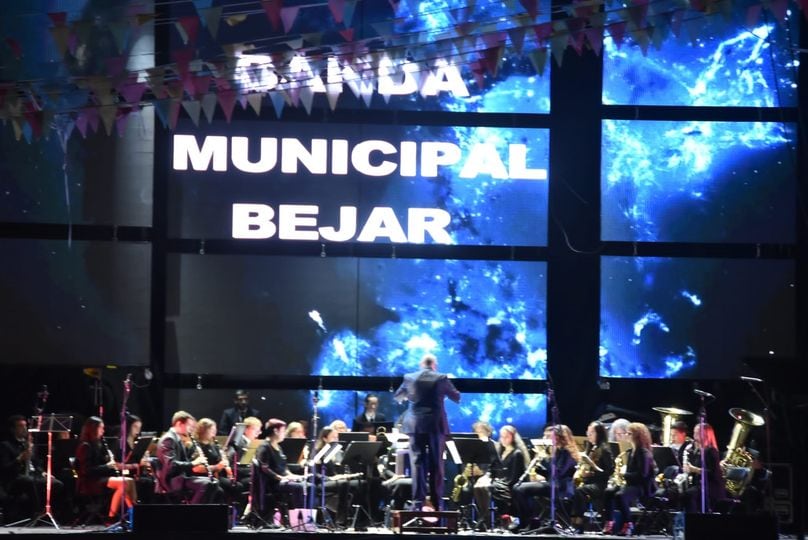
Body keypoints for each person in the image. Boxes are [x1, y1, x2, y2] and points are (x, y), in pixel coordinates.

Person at [394, 353, 461, 510]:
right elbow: (457, 396)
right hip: (435, 425)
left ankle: (418, 503)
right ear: (434, 365)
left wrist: (411, 397)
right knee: (436, 463)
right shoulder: (441, 378)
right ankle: (438, 504)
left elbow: (398, 397)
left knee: (417, 462)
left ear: (421, 364)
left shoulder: (409, 377)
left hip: (415, 425)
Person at [512, 425, 578, 532]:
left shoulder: (566, 452)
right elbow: (549, 474)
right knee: (517, 487)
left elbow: (559, 473)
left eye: (548, 437)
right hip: (551, 484)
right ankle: (525, 521)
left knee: (521, 489)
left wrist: (547, 458)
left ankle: (531, 521)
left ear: (557, 438)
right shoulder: (556, 452)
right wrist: (537, 466)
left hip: (560, 487)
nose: (546, 440)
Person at [0, 415, 64, 523]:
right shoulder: (5, 446)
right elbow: (5, 468)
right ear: (13, 429)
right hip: (16, 478)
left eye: (25, 426)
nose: (24, 429)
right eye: (20, 426)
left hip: (34, 475)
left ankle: (51, 513)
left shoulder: (29, 444)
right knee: (29, 481)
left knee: (57, 484)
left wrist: (44, 472)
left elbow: (37, 464)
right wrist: (20, 458)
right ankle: (36, 513)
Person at [75, 416, 137, 523]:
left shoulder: (98, 444)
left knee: (130, 481)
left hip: (101, 478)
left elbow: (102, 464)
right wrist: (108, 466)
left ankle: (134, 512)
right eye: (101, 428)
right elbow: (87, 471)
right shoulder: (85, 446)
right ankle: (111, 518)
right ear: (93, 429)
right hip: (90, 482)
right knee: (123, 483)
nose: (103, 431)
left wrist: (109, 461)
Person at [602, 422, 656, 536]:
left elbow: (643, 475)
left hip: (643, 487)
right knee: (608, 492)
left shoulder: (643, 452)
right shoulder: (631, 451)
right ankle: (610, 522)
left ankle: (628, 524)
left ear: (637, 436)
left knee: (620, 495)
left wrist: (624, 474)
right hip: (632, 484)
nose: (626, 435)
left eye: (629, 433)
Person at [156, 411, 221, 504]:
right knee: (208, 484)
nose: (191, 430)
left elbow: (184, 461)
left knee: (213, 483)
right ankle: (191, 513)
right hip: (171, 480)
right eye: (189, 426)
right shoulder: (169, 439)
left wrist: (194, 457)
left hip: (180, 477)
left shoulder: (177, 438)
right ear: (179, 423)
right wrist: (194, 463)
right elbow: (171, 465)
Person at [255, 418, 307, 516]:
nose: (284, 433)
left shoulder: (279, 447)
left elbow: (284, 467)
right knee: (299, 487)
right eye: (283, 431)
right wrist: (281, 478)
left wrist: (292, 476)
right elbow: (264, 468)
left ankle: (306, 516)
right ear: (275, 431)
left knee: (308, 486)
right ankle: (296, 517)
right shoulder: (264, 447)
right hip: (272, 483)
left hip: (282, 480)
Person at [571, 421, 614, 531]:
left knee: (581, 491)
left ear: (599, 433)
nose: (588, 435)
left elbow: (609, 471)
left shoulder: (604, 449)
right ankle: (573, 521)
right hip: (590, 482)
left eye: (591, 433)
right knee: (574, 490)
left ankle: (578, 523)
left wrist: (592, 472)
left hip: (600, 484)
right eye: (588, 432)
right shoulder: (591, 448)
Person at [682, 423, 724, 513]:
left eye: (697, 433)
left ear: (705, 434)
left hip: (711, 487)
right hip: (699, 485)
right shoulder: (695, 451)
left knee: (689, 494)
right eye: (694, 432)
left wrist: (694, 469)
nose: (694, 436)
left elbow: (711, 473)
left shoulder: (711, 451)